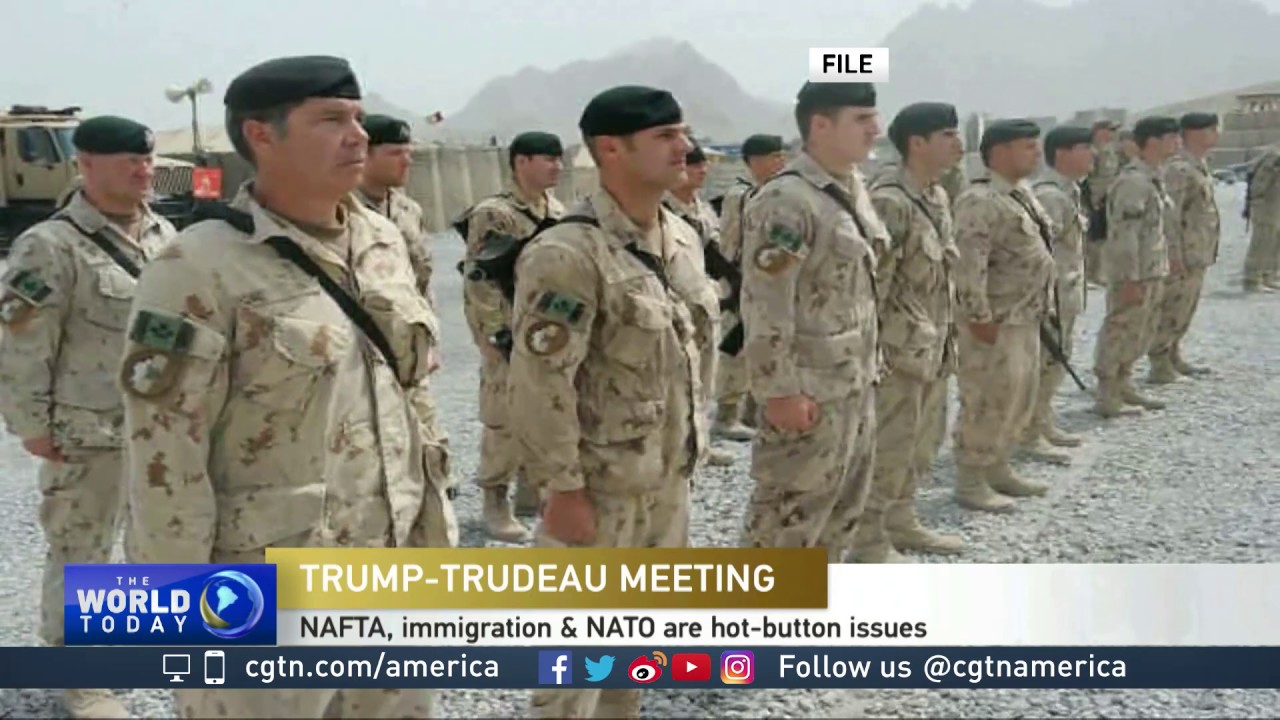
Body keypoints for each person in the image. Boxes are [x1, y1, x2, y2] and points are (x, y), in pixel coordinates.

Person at [117, 55, 449, 719]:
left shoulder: (381, 238)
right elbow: (163, 455)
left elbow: (411, 390)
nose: (357, 135)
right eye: (331, 120)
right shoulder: (198, 266)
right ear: (261, 136)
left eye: (357, 118)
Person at [506, 85, 718, 719]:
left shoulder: (679, 236)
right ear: (609, 149)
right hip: (598, 490)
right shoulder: (568, 252)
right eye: (664, 137)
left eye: (682, 132)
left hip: (666, 480)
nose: (684, 147)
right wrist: (562, 488)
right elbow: (541, 381)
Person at [0, 115, 173, 720]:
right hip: (87, 430)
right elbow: (19, 341)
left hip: (162, 430)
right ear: (86, 165)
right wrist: (32, 424)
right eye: (128, 160)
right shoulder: (49, 245)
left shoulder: (162, 234)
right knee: (82, 552)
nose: (142, 169)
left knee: (158, 549)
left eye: (147, 160)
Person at [738, 81, 886, 557]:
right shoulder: (788, 201)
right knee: (786, 525)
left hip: (853, 387)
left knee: (838, 518)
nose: (875, 130)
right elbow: (766, 304)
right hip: (809, 397)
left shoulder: (852, 190)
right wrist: (779, 390)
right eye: (861, 120)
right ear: (820, 125)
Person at [854, 101, 965, 562]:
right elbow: (871, 289)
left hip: (931, 347)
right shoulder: (889, 202)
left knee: (922, 442)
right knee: (889, 449)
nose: (959, 144)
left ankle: (902, 520)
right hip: (897, 355)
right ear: (916, 144)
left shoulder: (934, 196)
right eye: (947, 135)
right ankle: (867, 541)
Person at [459, 130, 566, 541]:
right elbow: (481, 278)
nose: (557, 165)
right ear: (521, 162)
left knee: (543, 410)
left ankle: (530, 492)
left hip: (544, 329)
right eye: (546, 158)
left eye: (558, 158)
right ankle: (494, 499)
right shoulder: (496, 213)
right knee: (503, 417)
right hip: (506, 328)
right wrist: (495, 334)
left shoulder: (554, 209)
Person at [951, 119, 1057, 512]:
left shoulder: (1020, 195)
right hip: (994, 321)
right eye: (1027, 146)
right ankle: (970, 480)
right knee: (987, 399)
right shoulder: (980, 200)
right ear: (998, 152)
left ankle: (998, 467)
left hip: (1024, 316)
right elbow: (969, 264)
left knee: (1017, 397)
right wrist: (978, 316)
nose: (1036, 153)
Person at [1092, 115, 1180, 417]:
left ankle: (1124, 383)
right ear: (1152, 141)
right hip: (1135, 273)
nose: (1177, 142)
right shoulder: (1133, 181)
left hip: (1152, 269)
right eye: (1171, 137)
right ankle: (1107, 394)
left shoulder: (1154, 177)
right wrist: (1130, 278)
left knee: (1140, 330)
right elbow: (1124, 234)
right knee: (1120, 328)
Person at [1022, 125, 1095, 462]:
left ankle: (1042, 421)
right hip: (1049, 299)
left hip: (1064, 296)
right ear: (1063, 153)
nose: (1092, 154)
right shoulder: (1050, 195)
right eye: (1085, 147)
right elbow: (1036, 253)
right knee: (1042, 365)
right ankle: (1028, 434)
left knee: (1055, 364)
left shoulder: (1068, 190)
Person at [663, 141, 735, 467]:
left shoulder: (702, 208)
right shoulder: (663, 212)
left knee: (705, 378)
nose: (701, 170)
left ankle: (700, 444)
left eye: (703, 164)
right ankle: (673, 447)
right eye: (694, 164)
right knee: (675, 383)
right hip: (676, 306)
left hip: (706, 303)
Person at [713, 133, 787, 437]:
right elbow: (729, 244)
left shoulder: (776, 192)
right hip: (741, 281)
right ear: (755, 161)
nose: (781, 162)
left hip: (767, 281)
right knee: (736, 348)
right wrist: (732, 282)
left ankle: (754, 411)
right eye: (774, 157)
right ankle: (726, 413)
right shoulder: (740, 195)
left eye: (782, 156)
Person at [1148, 112, 1221, 380]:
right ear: (1194, 133)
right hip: (1184, 254)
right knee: (1171, 308)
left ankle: (1173, 354)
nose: (1216, 135)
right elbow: (1170, 216)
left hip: (1198, 251)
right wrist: (1173, 253)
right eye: (1211, 130)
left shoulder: (1197, 165)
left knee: (1185, 308)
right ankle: (1160, 362)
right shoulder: (1179, 168)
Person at [355, 113, 434, 300]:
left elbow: (423, 283)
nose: (407, 161)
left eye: (409, 153)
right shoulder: (338, 212)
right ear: (363, 155)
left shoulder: (409, 211)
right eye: (396, 153)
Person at [1083, 119, 1120, 286]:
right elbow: (1086, 178)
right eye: (1109, 130)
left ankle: (1099, 272)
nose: (1112, 134)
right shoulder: (1092, 151)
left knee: (1105, 238)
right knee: (1093, 238)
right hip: (1094, 198)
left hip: (1109, 197)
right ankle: (1090, 273)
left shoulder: (1111, 151)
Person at [1241, 145, 1280, 292]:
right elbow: (1259, 184)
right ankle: (1252, 279)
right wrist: (1257, 200)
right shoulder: (1274, 157)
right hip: (1266, 206)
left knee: (1274, 243)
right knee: (1262, 243)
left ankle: (1268, 276)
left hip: (1276, 207)